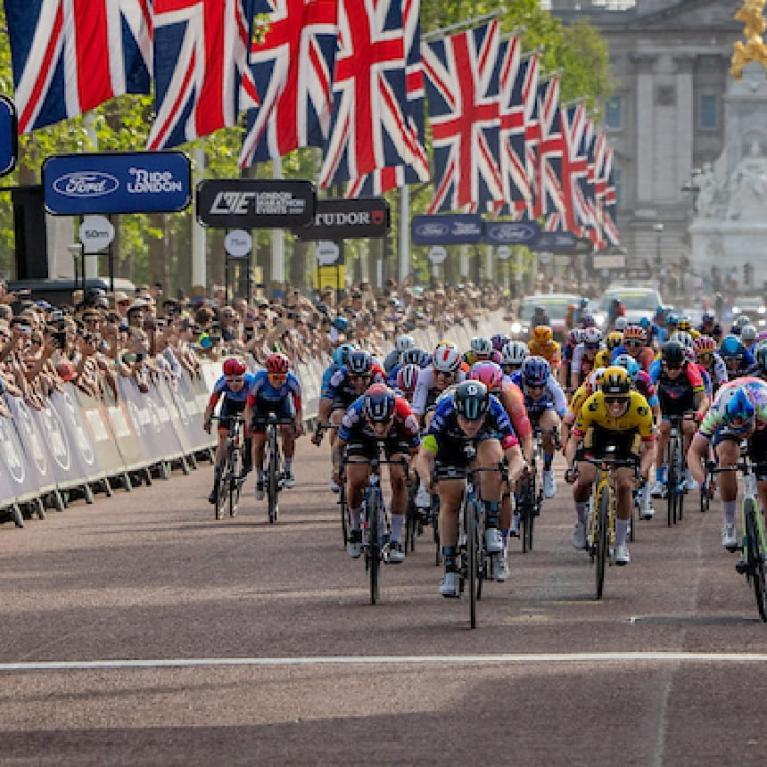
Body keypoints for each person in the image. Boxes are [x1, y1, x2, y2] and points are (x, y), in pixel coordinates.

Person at [416, 380, 526, 597]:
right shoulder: (444, 411)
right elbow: (424, 456)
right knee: (451, 498)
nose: (470, 425)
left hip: (485, 443)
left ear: (485, 413)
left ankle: (493, 529)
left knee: (494, 462)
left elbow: (516, 456)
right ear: (456, 411)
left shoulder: (495, 408)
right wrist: (427, 479)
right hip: (450, 447)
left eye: (477, 419)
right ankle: (449, 569)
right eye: (465, 419)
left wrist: (511, 477)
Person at [564, 366, 655, 565]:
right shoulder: (592, 403)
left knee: (624, 485)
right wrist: (571, 466)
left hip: (626, 439)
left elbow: (650, 447)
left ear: (629, 396)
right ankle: (581, 522)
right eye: (610, 400)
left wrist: (643, 471)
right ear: (602, 395)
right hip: (597, 436)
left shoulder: (640, 406)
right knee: (584, 479)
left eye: (621, 400)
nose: (615, 406)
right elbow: (573, 440)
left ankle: (621, 543)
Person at [333, 384, 420, 563]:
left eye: (385, 422)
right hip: (362, 438)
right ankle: (356, 529)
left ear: (393, 414)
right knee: (356, 478)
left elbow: (417, 451)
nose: (379, 429)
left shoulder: (406, 415)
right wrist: (337, 467)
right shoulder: (354, 414)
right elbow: (338, 446)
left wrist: (411, 469)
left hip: (396, 439)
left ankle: (395, 540)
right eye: (374, 423)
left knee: (399, 476)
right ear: (366, 415)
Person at [687, 379, 767, 549]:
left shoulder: (764, 408)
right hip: (728, 407)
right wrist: (703, 482)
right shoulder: (717, 413)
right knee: (727, 455)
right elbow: (693, 453)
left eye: (745, 428)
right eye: (739, 430)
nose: (743, 434)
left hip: (761, 414)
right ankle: (729, 523)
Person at [649, 340, 709, 497]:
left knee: (689, 427)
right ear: (663, 364)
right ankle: (659, 479)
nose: (673, 371)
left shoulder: (691, 369)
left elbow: (703, 399)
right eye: (669, 367)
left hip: (686, 404)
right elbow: (646, 394)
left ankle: (688, 470)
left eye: (677, 367)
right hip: (666, 404)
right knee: (662, 432)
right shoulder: (656, 367)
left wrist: (700, 413)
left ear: (683, 364)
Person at [244, 352, 303, 497]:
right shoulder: (259, 379)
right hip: (261, 406)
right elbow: (249, 406)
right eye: (275, 377)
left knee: (287, 431)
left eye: (282, 377)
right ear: (268, 374)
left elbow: (298, 408)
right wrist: (249, 421)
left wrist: (298, 422)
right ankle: (259, 478)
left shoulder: (292, 381)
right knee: (258, 442)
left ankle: (288, 470)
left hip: (282, 405)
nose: (279, 381)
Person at [510, 356, 567, 498]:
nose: (536, 391)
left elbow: (562, 409)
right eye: (532, 386)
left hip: (542, 412)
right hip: (520, 413)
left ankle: (547, 470)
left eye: (540, 386)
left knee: (551, 427)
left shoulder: (552, 384)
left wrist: (560, 432)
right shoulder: (512, 383)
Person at [203, 357, 255, 504]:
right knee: (223, 437)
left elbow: (250, 408)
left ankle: (248, 454)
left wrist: (248, 418)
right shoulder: (221, 383)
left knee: (248, 425)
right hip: (230, 404)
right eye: (230, 381)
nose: (234, 385)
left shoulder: (252, 382)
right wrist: (207, 419)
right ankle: (216, 483)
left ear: (244, 377)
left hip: (248, 404)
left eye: (238, 380)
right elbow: (211, 404)